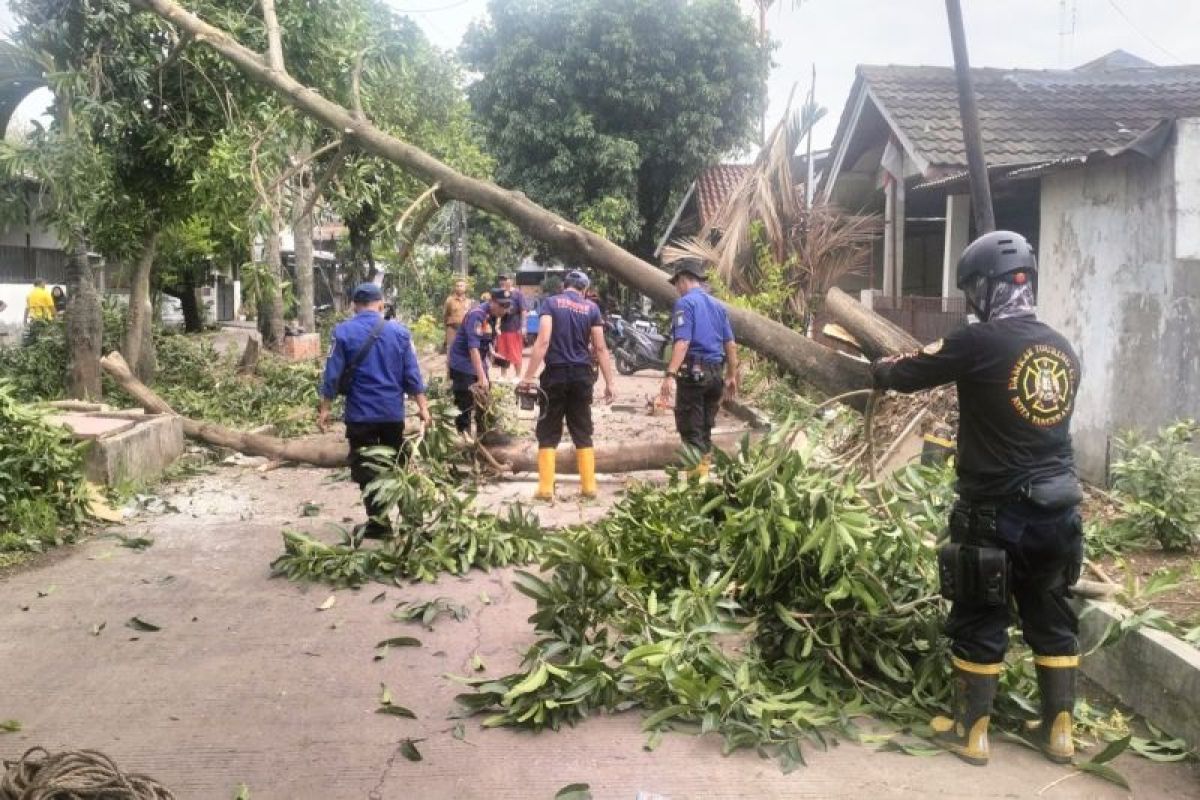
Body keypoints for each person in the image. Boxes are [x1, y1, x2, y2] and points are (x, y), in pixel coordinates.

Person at [871, 231, 1083, 768]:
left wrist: (880, 369)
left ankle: (973, 733)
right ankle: (1060, 733)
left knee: (979, 614)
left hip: (994, 514)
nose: (972, 301)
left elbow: (907, 372)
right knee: (1051, 614)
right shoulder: (1062, 347)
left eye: (973, 289)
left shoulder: (976, 341)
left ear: (988, 288)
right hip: (1059, 513)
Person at [318, 283, 432, 540]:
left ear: (354, 305)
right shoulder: (400, 333)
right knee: (399, 466)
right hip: (392, 415)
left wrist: (324, 408)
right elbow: (411, 374)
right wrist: (423, 407)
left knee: (367, 469)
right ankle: (413, 523)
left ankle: (379, 524)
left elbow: (332, 375)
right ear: (381, 304)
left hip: (361, 416)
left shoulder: (343, 332)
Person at [519, 270, 615, 500]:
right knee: (582, 428)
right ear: (584, 289)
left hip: (555, 374)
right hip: (582, 376)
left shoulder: (551, 303)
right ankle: (589, 487)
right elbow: (600, 348)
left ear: (564, 286)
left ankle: (544, 489)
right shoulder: (591, 309)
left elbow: (543, 341)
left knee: (548, 429)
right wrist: (610, 382)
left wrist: (528, 376)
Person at [658, 258, 738, 478]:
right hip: (715, 376)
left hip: (694, 375)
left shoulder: (685, 304)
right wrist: (731, 375)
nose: (676, 289)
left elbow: (682, 343)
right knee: (704, 431)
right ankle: (703, 481)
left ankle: (694, 488)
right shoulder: (717, 306)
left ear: (683, 280)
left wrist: (670, 375)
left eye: (676, 283)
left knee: (691, 431)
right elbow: (730, 344)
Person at [448, 288, 512, 438]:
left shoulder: (493, 315)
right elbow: (473, 348)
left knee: (485, 400)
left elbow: (485, 341)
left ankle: (485, 439)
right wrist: (481, 376)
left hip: (477, 363)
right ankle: (465, 442)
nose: (505, 310)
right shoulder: (477, 315)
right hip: (463, 363)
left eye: (507, 306)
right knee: (465, 404)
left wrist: (493, 354)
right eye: (502, 306)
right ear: (492, 302)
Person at [493, 274, 527, 379]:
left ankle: (517, 376)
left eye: (505, 279)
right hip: (502, 329)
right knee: (502, 353)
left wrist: (524, 326)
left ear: (512, 281)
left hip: (514, 328)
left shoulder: (518, 294)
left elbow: (523, 310)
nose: (503, 281)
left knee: (515, 352)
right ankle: (503, 376)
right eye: (501, 279)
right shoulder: (499, 294)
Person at [442, 278, 470, 353]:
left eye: (461, 286)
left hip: (464, 331)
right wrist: (446, 328)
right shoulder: (449, 300)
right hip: (452, 329)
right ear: (454, 288)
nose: (459, 288)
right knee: (451, 352)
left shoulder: (469, 301)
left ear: (465, 288)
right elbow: (445, 315)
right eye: (457, 286)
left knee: (464, 352)